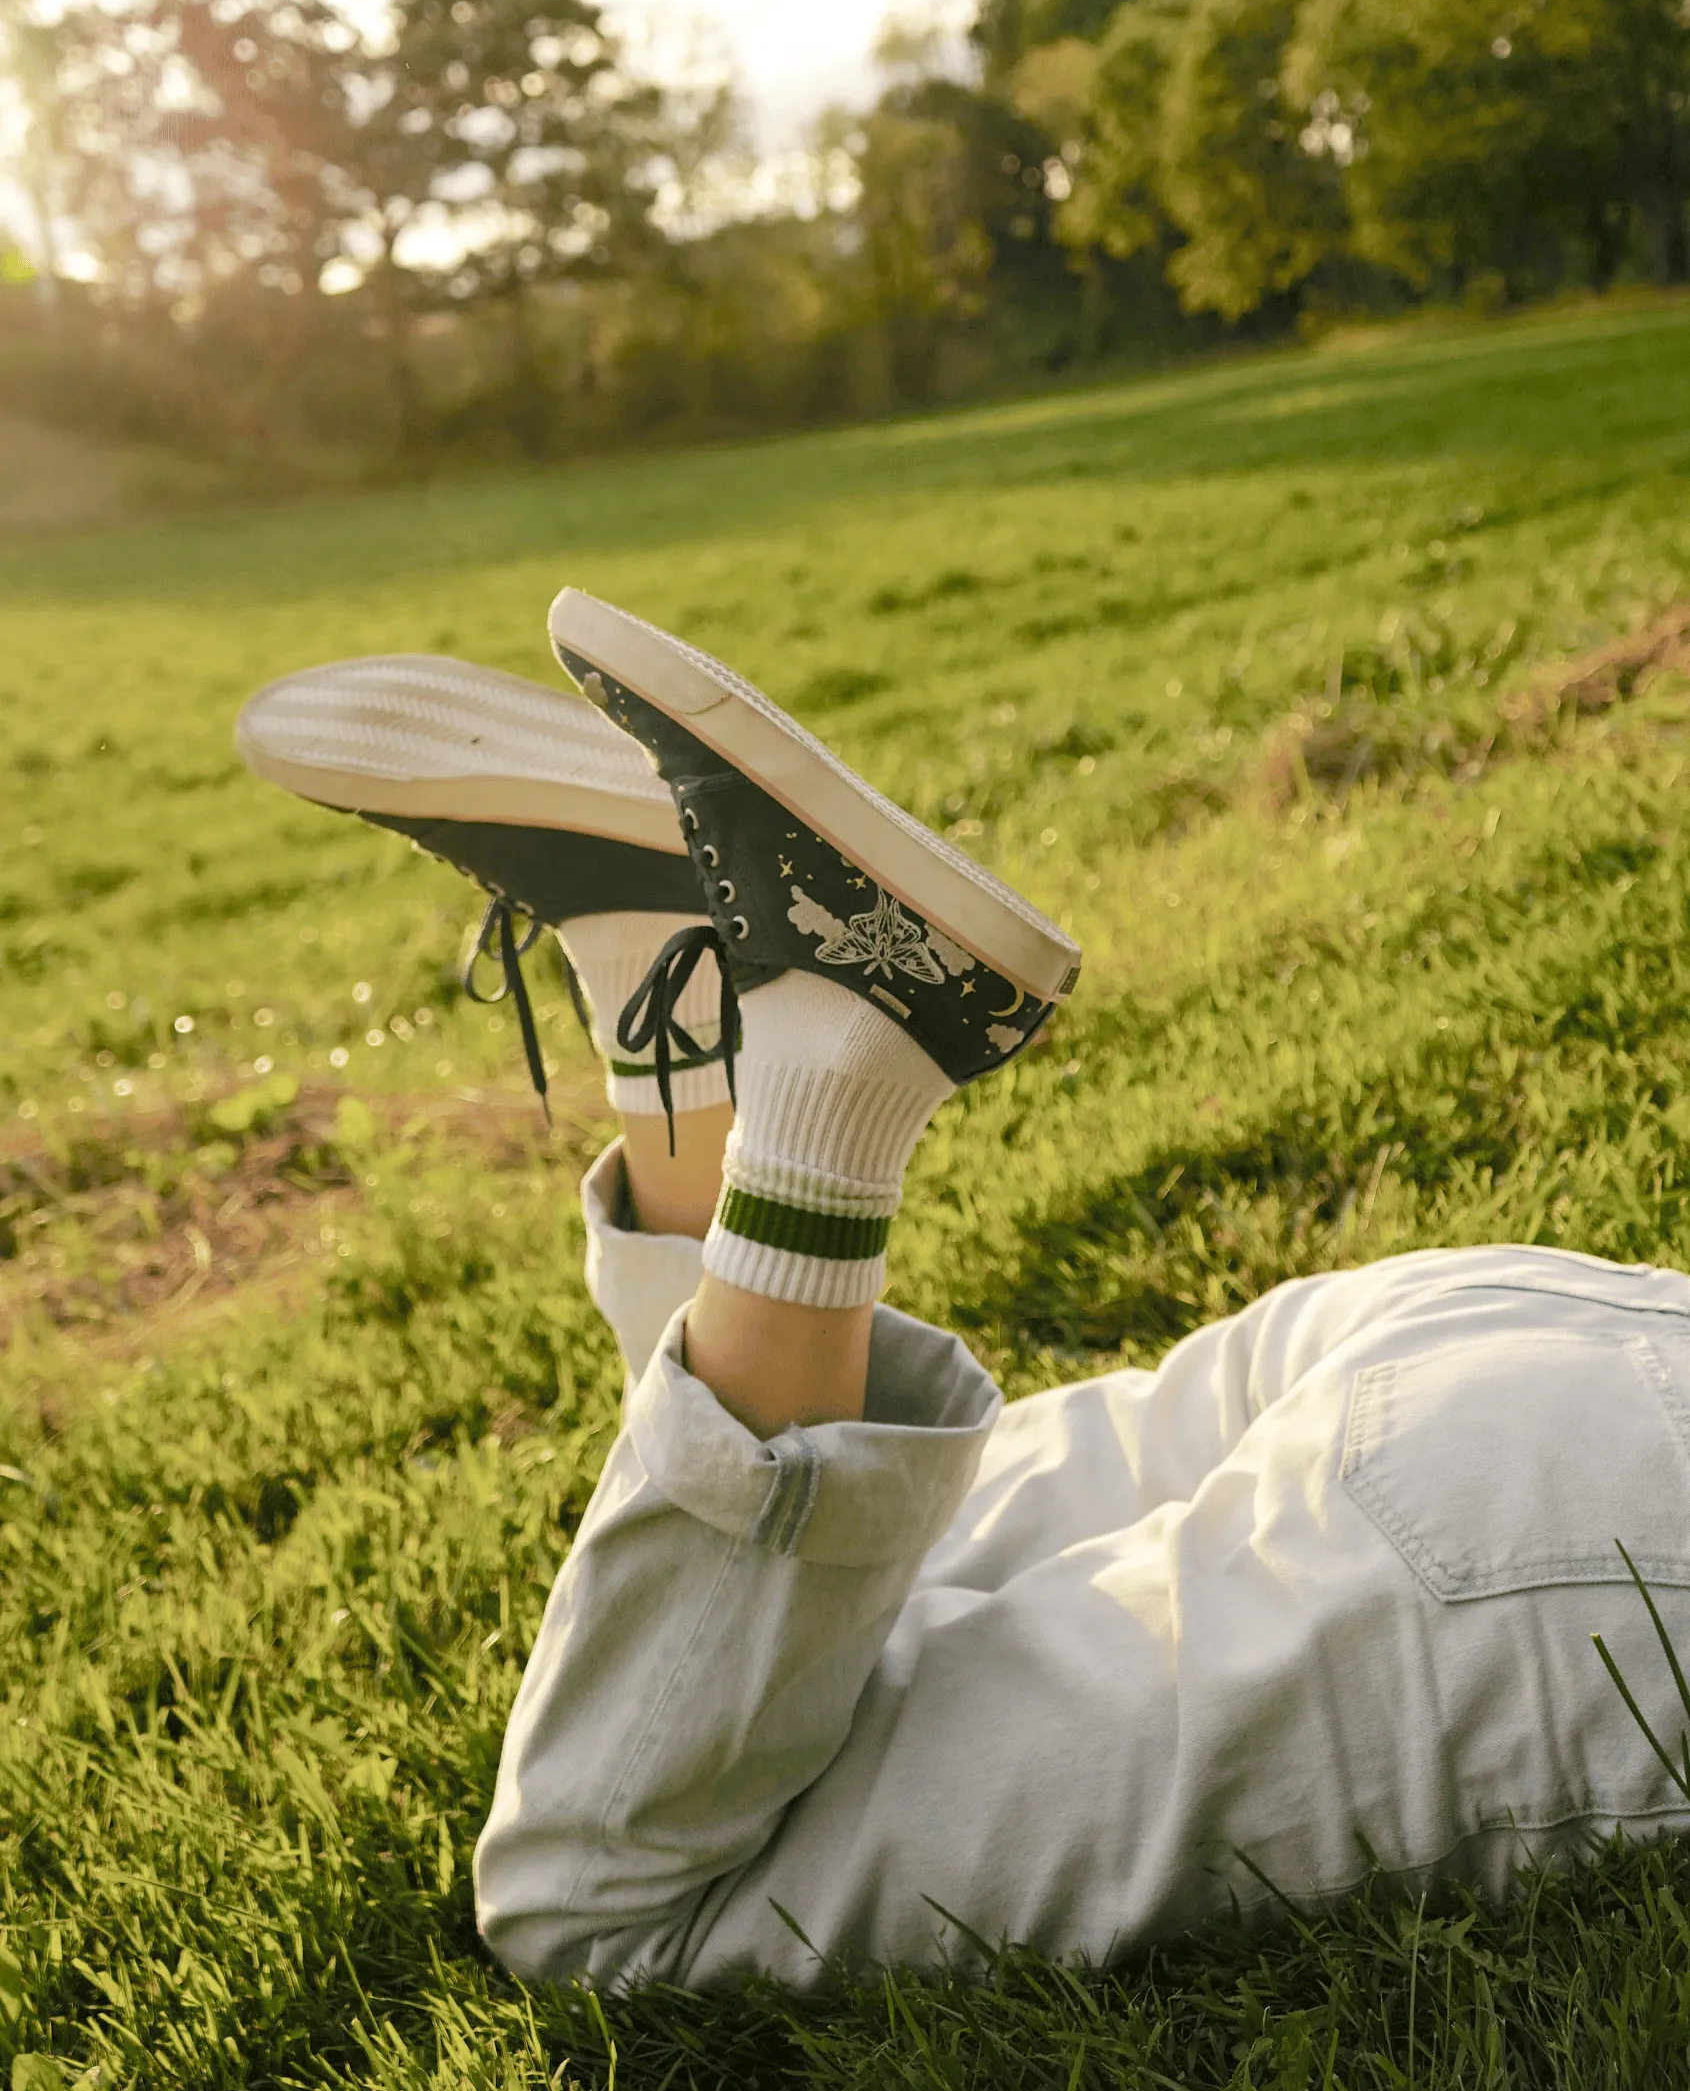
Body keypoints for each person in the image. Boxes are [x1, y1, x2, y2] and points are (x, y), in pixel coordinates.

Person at [236, 594, 1690, 1995]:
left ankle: (680, 999)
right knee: (604, 1898)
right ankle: (831, 1052)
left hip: (1547, 1339)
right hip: (1579, 1539)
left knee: (808, 1606)